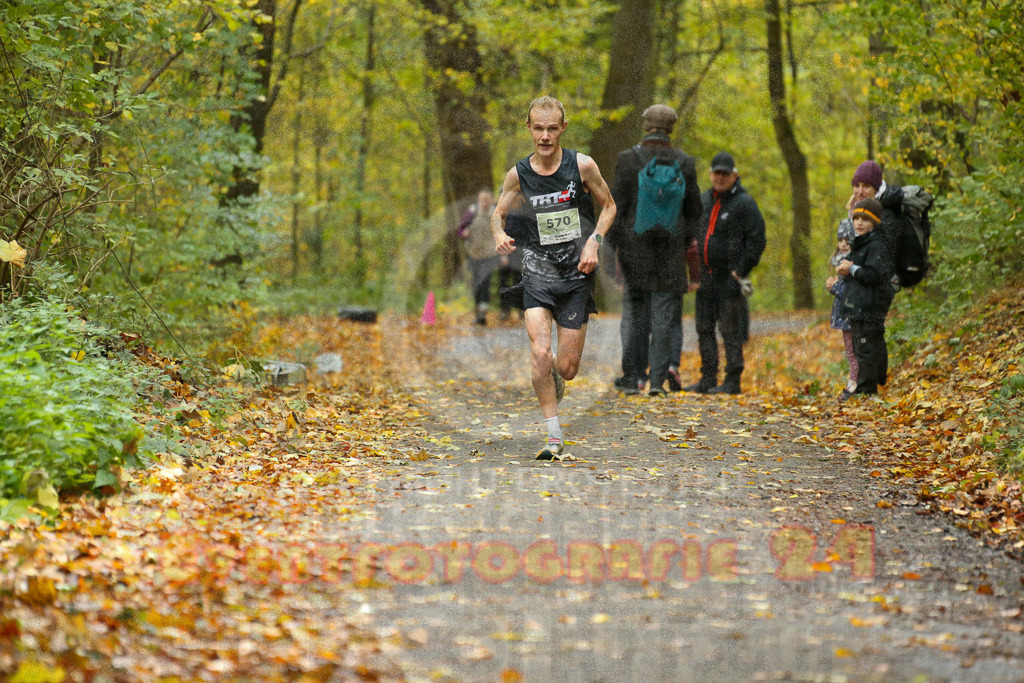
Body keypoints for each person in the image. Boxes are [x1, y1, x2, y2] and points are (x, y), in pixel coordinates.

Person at [491, 96, 616, 459]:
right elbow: (497, 213)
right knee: (541, 353)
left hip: (576, 274)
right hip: (537, 272)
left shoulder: (582, 165)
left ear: (562, 128)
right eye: (538, 128)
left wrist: (594, 242)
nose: (545, 136)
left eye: (551, 128)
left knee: (567, 367)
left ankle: (555, 378)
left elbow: (609, 206)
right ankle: (553, 436)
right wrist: (499, 235)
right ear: (529, 129)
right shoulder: (519, 173)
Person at [607, 104, 702, 395]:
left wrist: (613, 248)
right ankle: (657, 383)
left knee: (634, 315)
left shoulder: (627, 160)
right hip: (671, 253)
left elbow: (615, 208)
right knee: (663, 317)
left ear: (646, 125)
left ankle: (633, 377)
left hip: (635, 252)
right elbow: (695, 211)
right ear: (670, 128)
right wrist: (684, 242)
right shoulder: (684, 163)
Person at [683, 151, 766, 395]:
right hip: (706, 278)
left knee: (730, 330)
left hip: (730, 277)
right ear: (710, 174)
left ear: (734, 175)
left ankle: (732, 380)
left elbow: (757, 240)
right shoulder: (704, 200)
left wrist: (740, 272)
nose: (720, 177)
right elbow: (692, 236)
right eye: (716, 172)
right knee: (704, 328)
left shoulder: (744, 203)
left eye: (725, 173)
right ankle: (708, 378)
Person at [836, 197, 893, 397]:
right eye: (856, 218)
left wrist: (852, 268)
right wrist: (847, 270)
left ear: (875, 221)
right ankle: (870, 385)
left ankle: (867, 390)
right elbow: (860, 272)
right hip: (861, 304)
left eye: (865, 219)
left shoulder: (877, 244)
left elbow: (873, 275)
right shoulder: (862, 242)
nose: (859, 222)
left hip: (871, 304)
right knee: (863, 345)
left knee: (866, 347)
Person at [825, 221, 858, 399]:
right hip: (846, 316)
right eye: (840, 239)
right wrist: (834, 286)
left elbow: (852, 292)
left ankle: (853, 385)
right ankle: (855, 382)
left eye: (848, 239)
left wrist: (835, 287)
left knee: (853, 351)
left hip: (853, 315)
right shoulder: (840, 262)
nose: (843, 243)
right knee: (851, 350)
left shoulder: (853, 263)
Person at [457, 189, 498, 325]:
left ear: (491, 200)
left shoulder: (495, 212)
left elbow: (503, 230)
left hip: (490, 254)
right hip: (474, 254)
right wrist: (465, 233)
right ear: (479, 200)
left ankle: (482, 315)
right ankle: (477, 311)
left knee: (485, 282)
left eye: (487, 199)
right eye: (482, 200)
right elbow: (460, 229)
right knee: (476, 284)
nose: (485, 203)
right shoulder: (472, 211)